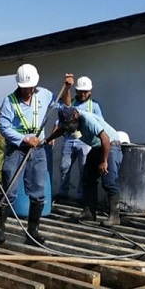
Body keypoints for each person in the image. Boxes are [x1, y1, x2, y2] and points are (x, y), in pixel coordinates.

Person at [0, 64, 71, 246]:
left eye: (31, 87)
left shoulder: (44, 94)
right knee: (9, 190)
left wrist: (67, 88)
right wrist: (24, 139)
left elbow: (65, 106)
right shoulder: (9, 101)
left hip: (39, 150)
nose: (29, 90)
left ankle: (33, 231)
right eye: (25, 87)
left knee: (38, 190)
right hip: (16, 150)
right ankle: (0, 231)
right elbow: (4, 127)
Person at [46, 106, 123, 226]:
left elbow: (105, 139)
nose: (69, 127)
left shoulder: (87, 120)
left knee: (109, 181)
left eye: (70, 123)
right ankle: (89, 212)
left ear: (76, 116)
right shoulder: (72, 124)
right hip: (97, 147)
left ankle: (115, 216)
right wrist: (47, 140)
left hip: (111, 146)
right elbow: (61, 131)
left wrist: (104, 161)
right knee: (87, 178)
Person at [56, 76, 103, 204]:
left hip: (85, 142)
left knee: (84, 169)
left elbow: (100, 123)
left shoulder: (94, 106)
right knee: (64, 167)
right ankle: (63, 194)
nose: (83, 94)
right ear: (76, 91)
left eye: (85, 91)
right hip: (70, 140)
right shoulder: (70, 103)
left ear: (90, 91)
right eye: (80, 91)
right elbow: (60, 121)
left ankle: (81, 196)